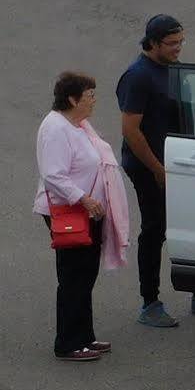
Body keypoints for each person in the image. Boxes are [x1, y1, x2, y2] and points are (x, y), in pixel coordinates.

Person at [117, 15, 195, 328]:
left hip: (177, 162)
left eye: (181, 41)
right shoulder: (138, 76)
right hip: (150, 167)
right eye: (171, 43)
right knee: (155, 229)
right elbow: (131, 130)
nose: (178, 48)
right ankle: (149, 303)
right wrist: (158, 169)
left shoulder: (172, 68)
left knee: (191, 222)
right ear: (152, 43)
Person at [35, 72, 131, 361]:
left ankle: (84, 336)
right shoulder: (55, 128)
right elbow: (53, 174)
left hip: (89, 212)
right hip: (71, 212)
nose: (93, 101)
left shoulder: (77, 125)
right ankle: (68, 342)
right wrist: (85, 199)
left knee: (85, 275)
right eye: (89, 96)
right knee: (73, 276)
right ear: (72, 99)